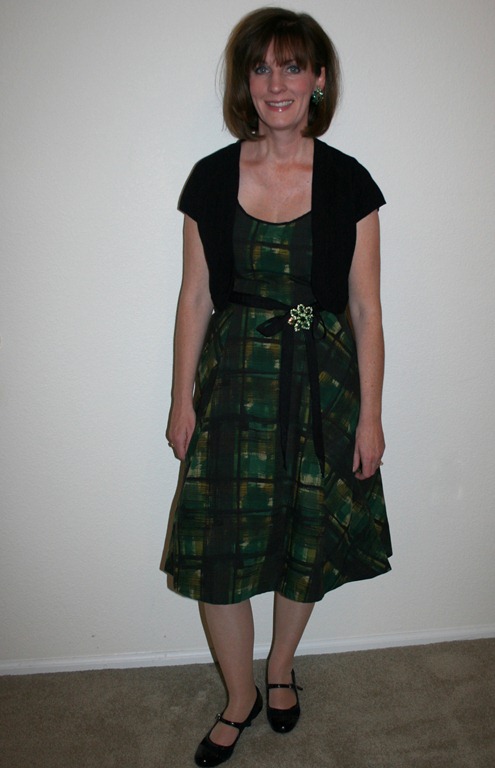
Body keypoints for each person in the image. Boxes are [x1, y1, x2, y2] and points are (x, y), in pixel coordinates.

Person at [163, 7, 392, 766]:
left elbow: (366, 307)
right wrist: (180, 399)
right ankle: (239, 696)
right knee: (217, 548)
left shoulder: (349, 181)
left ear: (318, 79)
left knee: (305, 535)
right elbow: (195, 297)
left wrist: (370, 415)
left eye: (292, 65)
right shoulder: (210, 176)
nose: (276, 82)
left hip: (320, 382)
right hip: (233, 380)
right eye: (260, 67)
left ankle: (281, 668)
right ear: (246, 83)